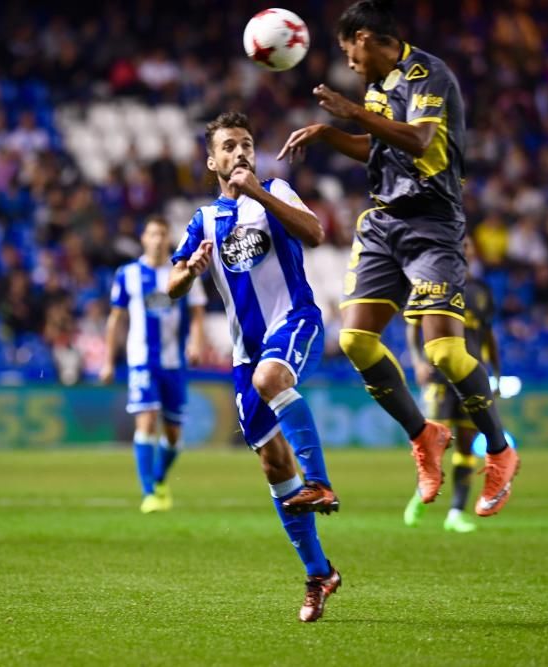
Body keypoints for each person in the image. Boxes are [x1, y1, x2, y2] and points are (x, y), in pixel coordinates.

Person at [278, 0, 519, 517]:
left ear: (364, 37)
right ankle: (423, 435)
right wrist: (329, 134)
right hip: (385, 221)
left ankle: (500, 450)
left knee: (446, 355)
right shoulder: (377, 89)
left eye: (349, 51)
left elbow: (420, 138)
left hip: (432, 223)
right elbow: (379, 148)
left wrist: (351, 111)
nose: (349, 64)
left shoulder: (428, 74)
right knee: (355, 341)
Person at [169, 111, 340, 623]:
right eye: (229, 147)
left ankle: (322, 481)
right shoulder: (204, 219)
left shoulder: (278, 191)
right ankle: (319, 574)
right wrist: (191, 272)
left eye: (246, 144)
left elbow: (315, 233)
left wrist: (258, 194)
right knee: (273, 466)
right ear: (212, 160)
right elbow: (171, 283)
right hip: (245, 353)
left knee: (272, 380)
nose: (240, 153)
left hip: (295, 321)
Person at [100, 215, 208, 513]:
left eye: (162, 234)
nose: (158, 239)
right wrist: (108, 361)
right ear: (143, 239)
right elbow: (116, 319)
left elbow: (198, 313)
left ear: (169, 240)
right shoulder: (128, 274)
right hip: (141, 361)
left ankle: (159, 478)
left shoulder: (183, 272)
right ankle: (149, 492)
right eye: (152, 234)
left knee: (173, 434)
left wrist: (196, 343)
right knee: (146, 420)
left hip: (173, 362)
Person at [404, 241, 502, 532]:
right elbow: (413, 328)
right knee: (433, 442)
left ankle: (456, 512)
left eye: (469, 246)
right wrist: (419, 361)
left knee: (466, 445)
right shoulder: (430, 283)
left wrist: (497, 371)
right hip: (439, 376)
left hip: (472, 374)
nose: (466, 250)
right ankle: (422, 492)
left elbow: (487, 334)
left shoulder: (481, 291)